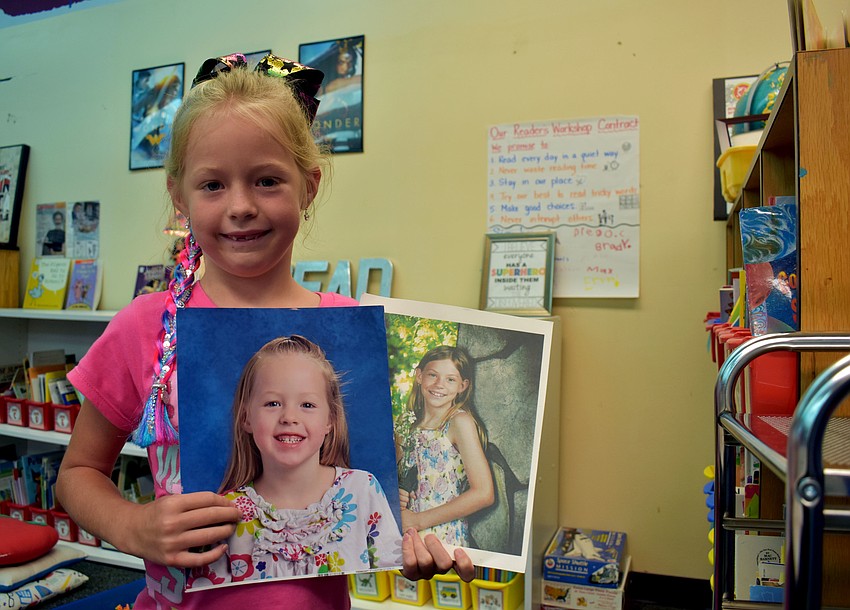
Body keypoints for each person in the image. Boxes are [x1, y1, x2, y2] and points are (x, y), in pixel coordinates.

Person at [55, 52, 472, 610]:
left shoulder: (347, 325)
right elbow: (78, 472)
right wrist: (133, 527)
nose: (242, 207)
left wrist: (416, 546)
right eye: (212, 186)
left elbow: (391, 520)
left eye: (268, 180)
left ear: (309, 186)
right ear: (180, 198)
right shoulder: (148, 326)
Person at [188, 335, 401, 589]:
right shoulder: (227, 513)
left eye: (307, 405)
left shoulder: (362, 490)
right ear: (246, 418)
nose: (289, 417)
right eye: (273, 403)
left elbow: (396, 577)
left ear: (330, 420)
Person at [397, 345, 494, 547]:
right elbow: (397, 478)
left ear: (462, 386)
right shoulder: (406, 425)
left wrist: (418, 520)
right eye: (433, 375)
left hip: (443, 536)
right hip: (407, 535)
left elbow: (484, 493)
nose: (439, 384)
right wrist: (398, 493)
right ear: (419, 376)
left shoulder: (459, 422)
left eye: (450, 379)